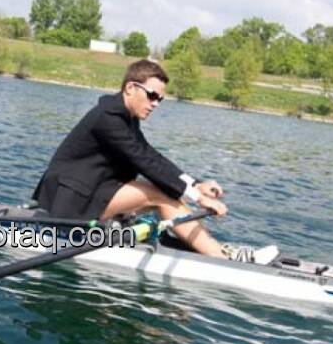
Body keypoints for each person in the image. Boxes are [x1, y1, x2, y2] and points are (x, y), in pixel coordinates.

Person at [32, 59, 278, 264]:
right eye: (151, 95)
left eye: (160, 99)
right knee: (159, 194)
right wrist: (198, 198)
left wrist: (196, 184)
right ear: (130, 88)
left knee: (164, 192)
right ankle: (222, 259)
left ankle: (205, 248)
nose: (155, 104)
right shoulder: (109, 118)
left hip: (88, 192)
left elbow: (151, 155)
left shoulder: (124, 117)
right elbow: (145, 162)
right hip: (70, 203)